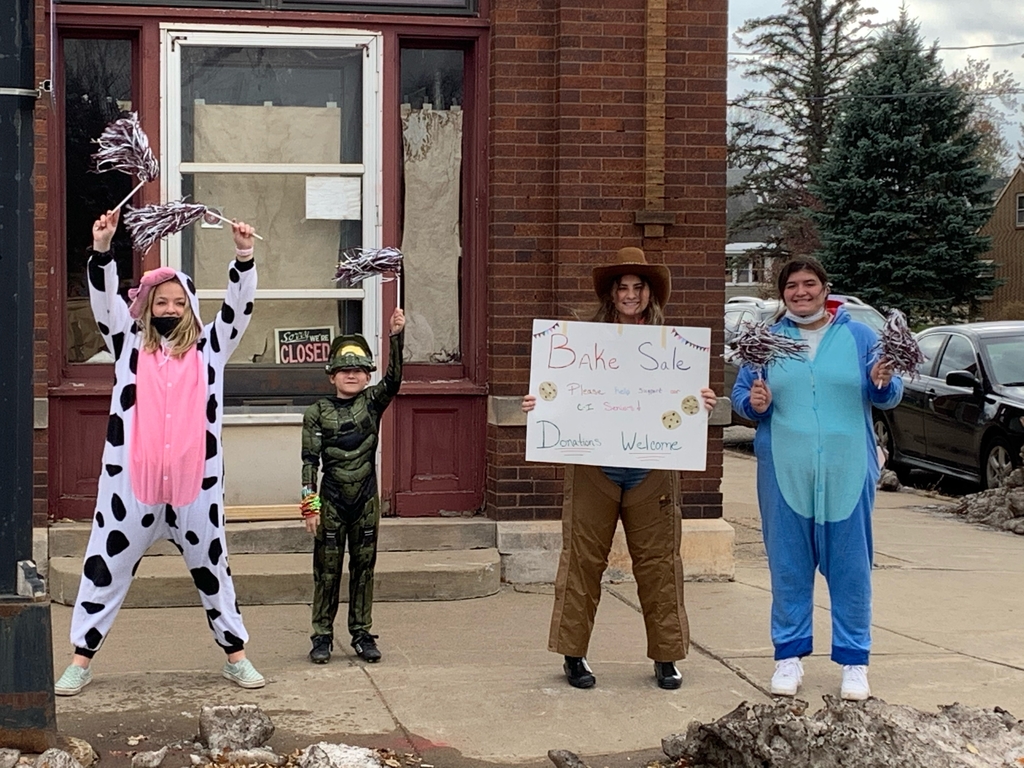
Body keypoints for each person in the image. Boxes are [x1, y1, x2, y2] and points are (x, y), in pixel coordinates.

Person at [55, 209, 265, 696]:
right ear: (147, 306)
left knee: (215, 572)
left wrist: (243, 255)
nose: (169, 309)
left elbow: (239, 307)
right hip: (131, 491)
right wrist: (103, 249)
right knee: (103, 570)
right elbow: (104, 303)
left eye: (178, 301)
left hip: (196, 489)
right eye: (161, 301)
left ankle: (236, 655)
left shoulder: (212, 347)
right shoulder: (128, 344)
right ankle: (80, 661)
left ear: (191, 306)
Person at [522, 246, 716, 690]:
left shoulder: (676, 347)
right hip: (595, 464)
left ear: (650, 294)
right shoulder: (581, 343)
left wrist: (703, 403)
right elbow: (557, 394)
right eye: (623, 288)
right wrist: (539, 404)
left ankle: (666, 656)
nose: (631, 295)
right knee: (583, 560)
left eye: (638, 287)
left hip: (653, 467)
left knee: (660, 562)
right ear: (612, 295)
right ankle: (574, 654)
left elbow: (687, 406)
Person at [731, 257, 903, 701]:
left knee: (850, 568)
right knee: (788, 565)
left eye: (810, 284)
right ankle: (788, 657)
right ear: (782, 292)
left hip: (847, 470)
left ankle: (854, 661)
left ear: (826, 288)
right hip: (785, 471)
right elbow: (742, 399)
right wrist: (755, 402)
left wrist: (882, 382)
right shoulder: (766, 342)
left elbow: (889, 392)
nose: (801, 292)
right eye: (792, 285)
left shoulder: (859, 336)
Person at [300, 308, 405, 665]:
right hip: (330, 500)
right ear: (331, 375)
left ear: (366, 375)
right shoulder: (316, 412)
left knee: (364, 569)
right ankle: (322, 636)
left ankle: (361, 632)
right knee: (326, 571)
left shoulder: (372, 404)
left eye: (358, 370)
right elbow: (309, 462)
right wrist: (309, 506)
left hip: (365, 500)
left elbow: (393, 380)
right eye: (345, 370)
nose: (352, 375)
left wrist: (396, 336)